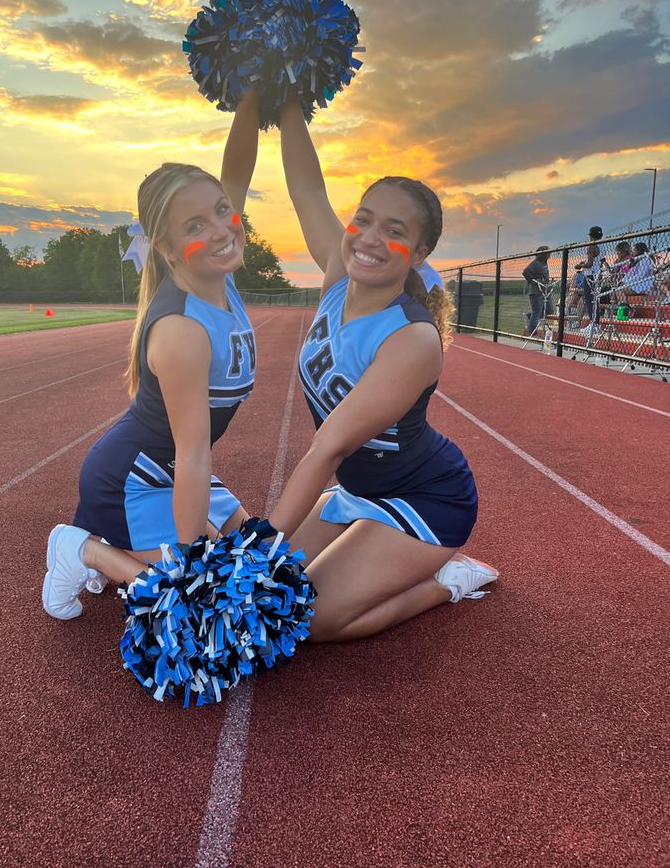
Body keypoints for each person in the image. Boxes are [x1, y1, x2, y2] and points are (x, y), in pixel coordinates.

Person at [256, 98, 497, 642]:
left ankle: (446, 581)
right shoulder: (339, 278)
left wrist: (262, 538)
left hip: (425, 500)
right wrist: (290, 96)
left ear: (419, 251)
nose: (368, 237)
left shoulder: (411, 339)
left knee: (307, 620)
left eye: (392, 230)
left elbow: (329, 448)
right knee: (269, 590)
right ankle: (367, 543)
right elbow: (306, 191)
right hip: (359, 492)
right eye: (362, 220)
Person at [41, 94, 262, 619]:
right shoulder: (181, 329)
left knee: (259, 561)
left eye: (222, 211)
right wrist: (193, 566)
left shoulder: (216, 271)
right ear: (166, 248)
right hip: (132, 481)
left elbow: (238, 171)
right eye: (194, 226)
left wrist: (254, 94)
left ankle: (128, 559)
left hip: (173, 468)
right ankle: (81, 551)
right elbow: (191, 454)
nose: (221, 229)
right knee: (205, 603)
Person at [522, 246, 551, 335]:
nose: (550, 254)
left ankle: (529, 316)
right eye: (548, 252)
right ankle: (532, 334)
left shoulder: (544, 262)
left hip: (545, 291)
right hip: (536, 292)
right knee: (536, 312)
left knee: (549, 311)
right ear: (543, 254)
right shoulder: (536, 263)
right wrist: (535, 281)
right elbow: (525, 272)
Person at [583, 225, 606, 326]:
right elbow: (601, 261)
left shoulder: (591, 246)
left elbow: (589, 264)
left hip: (590, 275)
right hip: (598, 273)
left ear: (591, 236)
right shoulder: (603, 246)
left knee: (589, 299)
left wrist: (580, 265)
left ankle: (593, 323)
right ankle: (595, 323)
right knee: (595, 299)